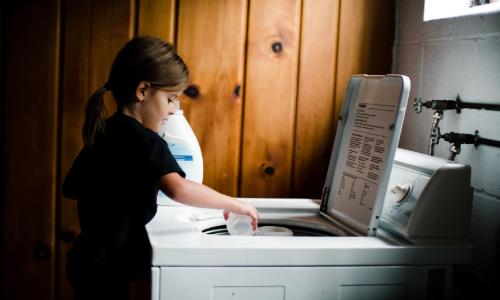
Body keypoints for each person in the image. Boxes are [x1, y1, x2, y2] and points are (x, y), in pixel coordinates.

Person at [62, 36, 259, 300]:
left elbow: (71, 186)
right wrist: (234, 204)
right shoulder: (145, 140)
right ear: (142, 91)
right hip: (108, 267)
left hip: (85, 259)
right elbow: (178, 188)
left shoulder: (104, 131)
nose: (171, 111)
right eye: (170, 99)